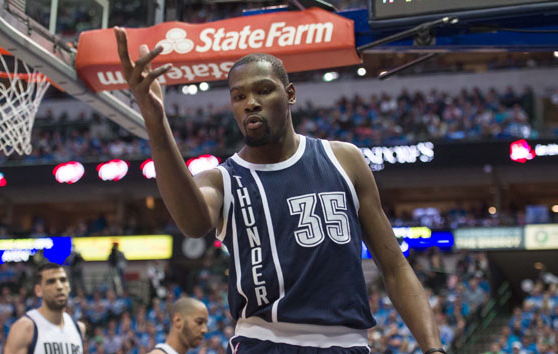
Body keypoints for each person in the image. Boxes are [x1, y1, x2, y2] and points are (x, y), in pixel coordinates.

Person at [114, 27, 443, 354]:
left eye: (263, 91)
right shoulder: (222, 179)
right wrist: (156, 121)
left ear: (290, 94)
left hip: (349, 343)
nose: (250, 103)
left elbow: (396, 268)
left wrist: (433, 349)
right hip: (266, 341)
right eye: (239, 97)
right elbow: (191, 223)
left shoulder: (345, 159)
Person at [4, 263, 85, 354]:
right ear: (38, 290)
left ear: (69, 287)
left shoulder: (79, 328)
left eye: (63, 280)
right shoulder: (25, 328)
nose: (59, 286)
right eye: (51, 281)